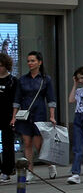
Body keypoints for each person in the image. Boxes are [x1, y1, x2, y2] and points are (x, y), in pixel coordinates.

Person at [10, 50, 58, 178]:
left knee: (38, 144)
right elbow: (17, 99)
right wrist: (14, 117)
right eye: (28, 61)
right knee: (27, 143)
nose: (30, 63)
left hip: (39, 113)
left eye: (33, 61)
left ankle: (50, 164)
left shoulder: (45, 79)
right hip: (25, 114)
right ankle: (30, 171)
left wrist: (52, 116)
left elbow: (51, 98)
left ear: (39, 62)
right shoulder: (22, 80)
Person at [0, 53, 15, 182]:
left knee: (7, 144)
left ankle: (7, 170)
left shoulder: (13, 81)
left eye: (1, 66)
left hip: (8, 116)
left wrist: (14, 117)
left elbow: (16, 101)